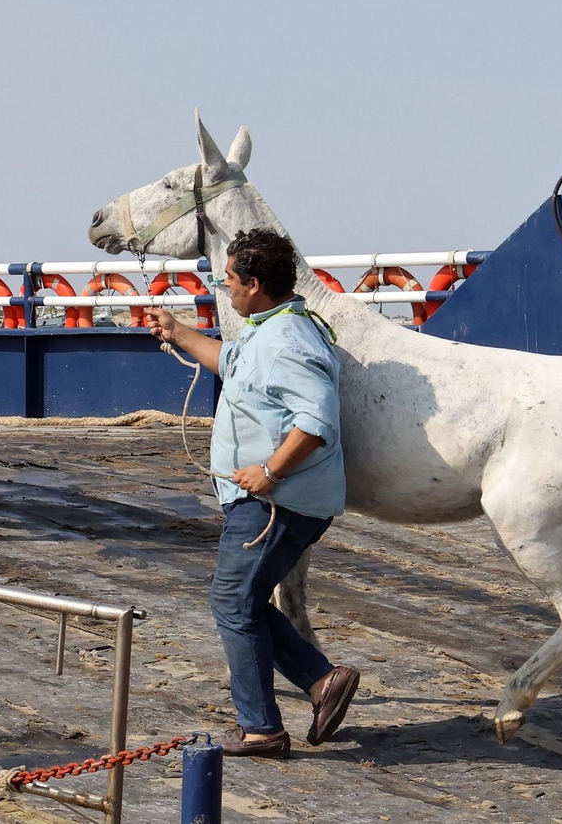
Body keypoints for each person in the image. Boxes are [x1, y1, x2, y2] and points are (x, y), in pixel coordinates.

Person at [145, 228, 358, 759]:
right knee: (239, 600)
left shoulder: (289, 340)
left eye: (231, 281)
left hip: (275, 502)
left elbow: (316, 420)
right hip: (270, 500)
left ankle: (263, 728)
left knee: (233, 602)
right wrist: (179, 331)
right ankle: (320, 682)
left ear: (255, 284)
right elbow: (234, 363)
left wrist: (269, 470)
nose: (226, 288)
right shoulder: (272, 328)